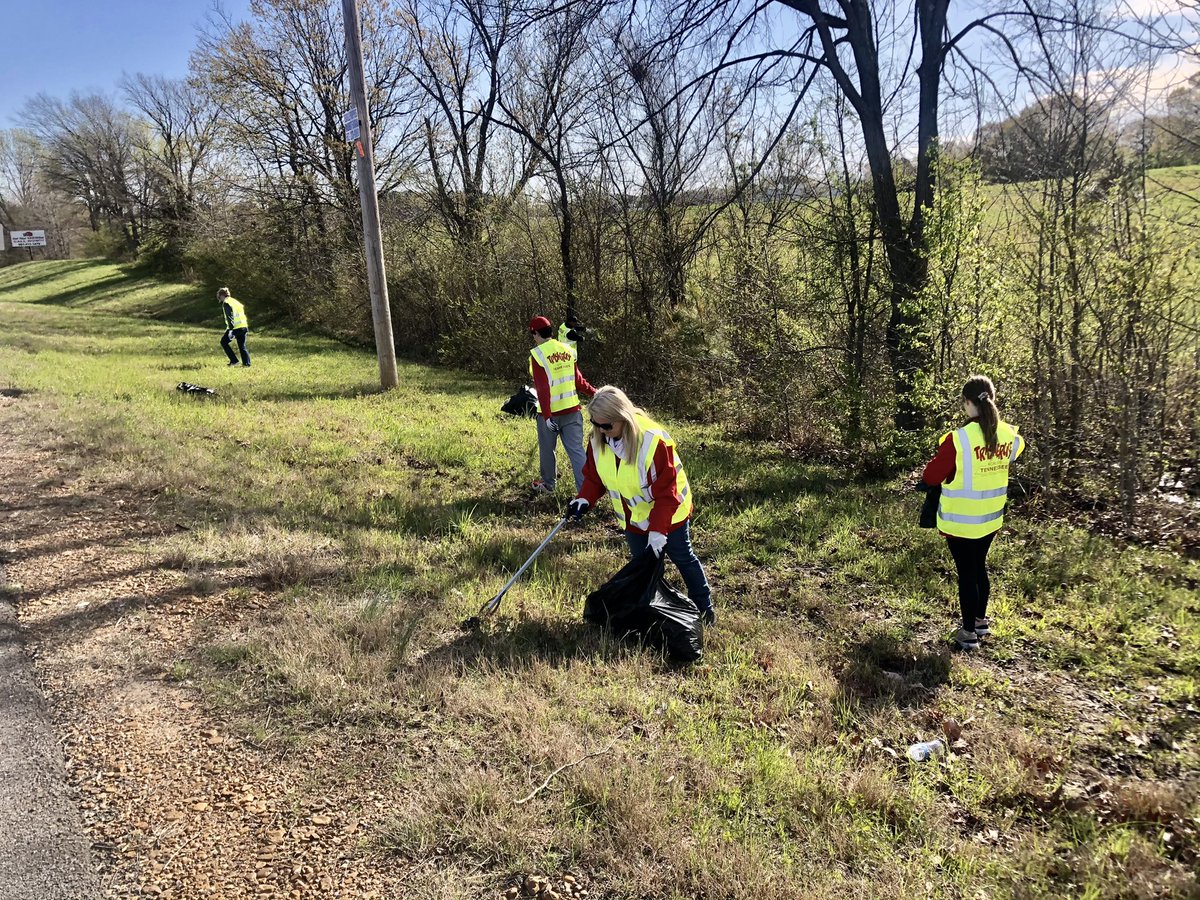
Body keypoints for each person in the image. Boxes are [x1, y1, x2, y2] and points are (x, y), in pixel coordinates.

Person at [566, 386, 716, 626]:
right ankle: (658, 610)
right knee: (643, 565)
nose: (601, 431)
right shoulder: (598, 440)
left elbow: (667, 493)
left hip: (669, 514)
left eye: (606, 426)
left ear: (622, 419)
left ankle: (704, 609)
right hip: (633, 518)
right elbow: (594, 478)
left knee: (683, 558)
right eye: (596, 424)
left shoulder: (652, 441)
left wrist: (658, 532)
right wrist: (584, 498)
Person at [922, 375, 1026, 650]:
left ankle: (968, 633)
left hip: (961, 522)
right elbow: (1014, 450)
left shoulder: (958, 439)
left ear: (967, 403)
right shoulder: (1009, 435)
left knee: (967, 573)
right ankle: (980, 622)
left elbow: (931, 476)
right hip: (990, 518)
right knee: (979, 567)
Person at [528, 315, 596, 493]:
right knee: (576, 452)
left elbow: (542, 388)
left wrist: (548, 416)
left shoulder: (538, 354)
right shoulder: (567, 349)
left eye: (533, 334)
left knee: (547, 451)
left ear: (535, 333)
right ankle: (585, 493)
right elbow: (579, 382)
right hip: (572, 410)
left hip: (549, 415)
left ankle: (549, 485)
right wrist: (597, 393)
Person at [218, 287, 251, 367]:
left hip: (235, 328)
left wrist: (230, 330)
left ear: (222, 295)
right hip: (243, 326)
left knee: (224, 342)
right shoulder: (235, 301)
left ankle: (234, 361)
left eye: (219, 297)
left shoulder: (226, 303)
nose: (219, 299)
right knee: (242, 346)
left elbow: (230, 317)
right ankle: (246, 364)